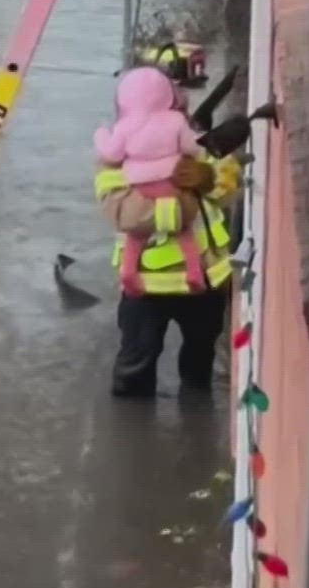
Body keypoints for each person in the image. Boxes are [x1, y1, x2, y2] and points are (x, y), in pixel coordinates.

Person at [93, 72, 241, 399]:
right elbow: (123, 213)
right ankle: (133, 437)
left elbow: (231, 187)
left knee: (199, 372)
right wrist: (180, 207)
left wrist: (209, 178)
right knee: (133, 373)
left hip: (205, 280)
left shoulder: (195, 143)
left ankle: (192, 426)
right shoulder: (114, 162)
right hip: (146, 287)